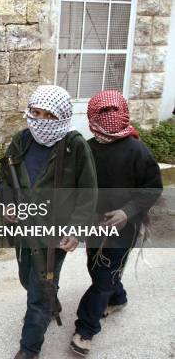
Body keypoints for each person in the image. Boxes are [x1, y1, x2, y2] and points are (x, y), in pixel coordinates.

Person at [0, 85, 98, 359]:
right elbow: (5, 178)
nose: (39, 120)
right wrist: (7, 205)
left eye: (48, 115)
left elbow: (88, 192)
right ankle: (48, 299)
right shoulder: (21, 140)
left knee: (38, 292)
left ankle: (29, 348)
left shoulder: (74, 145)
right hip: (22, 231)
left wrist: (77, 230)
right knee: (27, 280)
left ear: (62, 117)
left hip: (54, 234)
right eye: (35, 112)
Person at [70, 90, 163, 357]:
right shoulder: (86, 149)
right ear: (91, 115)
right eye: (103, 112)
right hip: (94, 227)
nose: (109, 118)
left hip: (126, 228)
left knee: (103, 277)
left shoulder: (138, 150)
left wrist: (127, 212)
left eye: (114, 111)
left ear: (124, 112)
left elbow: (152, 188)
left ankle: (85, 329)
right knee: (98, 269)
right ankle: (118, 298)